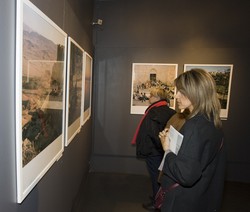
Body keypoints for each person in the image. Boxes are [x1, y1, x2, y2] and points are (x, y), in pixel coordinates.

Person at [158, 69, 226, 212]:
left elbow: (186, 175)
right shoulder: (213, 122)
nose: (176, 95)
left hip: (182, 202)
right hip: (201, 198)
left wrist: (168, 149)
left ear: (195, 93)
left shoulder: (194, 126)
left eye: (181, 91)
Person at [131, 87, 176, 211]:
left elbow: (153, 134)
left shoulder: (154, 112)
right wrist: (164, 149)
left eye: (151, 95)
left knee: (156, 177)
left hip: (154, 151)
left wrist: (157, 149)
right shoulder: (171, 112)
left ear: (157, 98)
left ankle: (158, 203)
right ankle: (159, 197)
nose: (149, 97)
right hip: (163, 150)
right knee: (162, 176)